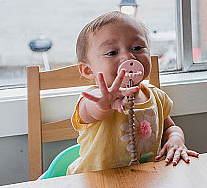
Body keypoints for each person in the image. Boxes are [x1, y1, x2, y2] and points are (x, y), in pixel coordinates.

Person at [67, 11, 198, 175]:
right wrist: (103, 106)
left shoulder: (156, 96)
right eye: (112, 52)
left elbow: (170, 128)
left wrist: (175, 139)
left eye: (137, 48)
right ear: (88, 70)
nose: (129, 57)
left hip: (144, 181)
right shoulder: (94, 98)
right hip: (97, 183)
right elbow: (89, 111)